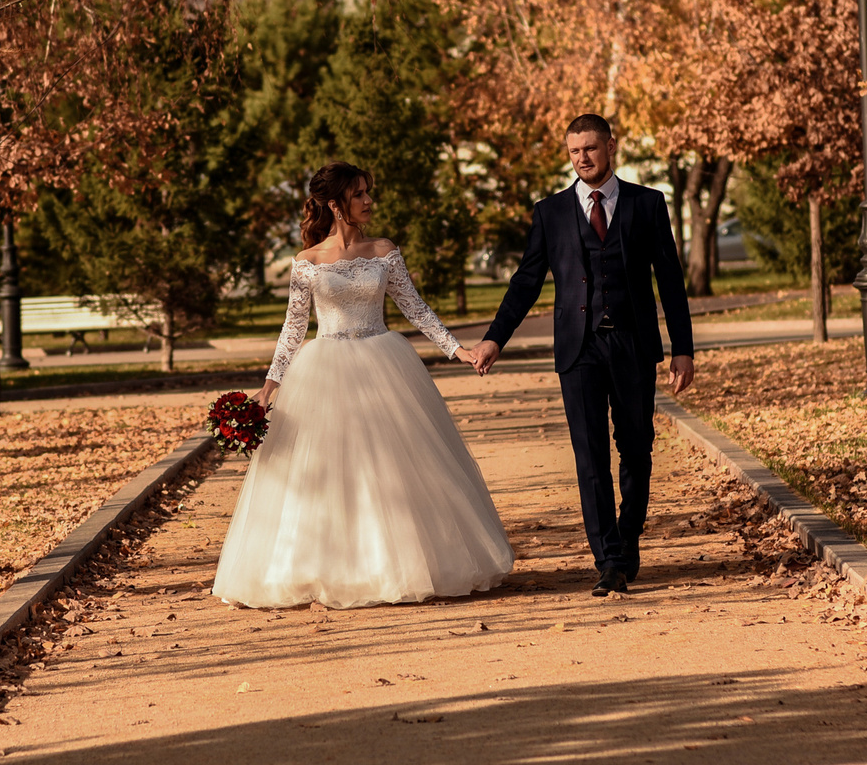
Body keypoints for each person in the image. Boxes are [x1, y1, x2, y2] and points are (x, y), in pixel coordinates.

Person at [212, 163, 515, 609]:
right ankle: (321, 567)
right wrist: (269, 387)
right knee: (326, 472)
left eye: (368, 193)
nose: (368, 201)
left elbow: (415, 307)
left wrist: (458, 350)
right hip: (325, 368)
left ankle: (397, 566)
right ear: (335, 205)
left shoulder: (384, 250)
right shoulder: (307, 263)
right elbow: (293, 330)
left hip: (384, 362)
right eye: (358, 195)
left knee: (393, 467)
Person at [467, 114, 693, 596]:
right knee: (589, 455)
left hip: (632, 346)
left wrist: (683, 350)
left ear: (611, 146)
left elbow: (669, 281)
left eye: (590, 148)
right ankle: (608, 559)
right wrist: (494, 338)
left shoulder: (647, 204)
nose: (583, 158)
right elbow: (526, 282)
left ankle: (628, 540)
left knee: (636, 449)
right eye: (574, 151)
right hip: (579, 349)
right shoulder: (549, 212)